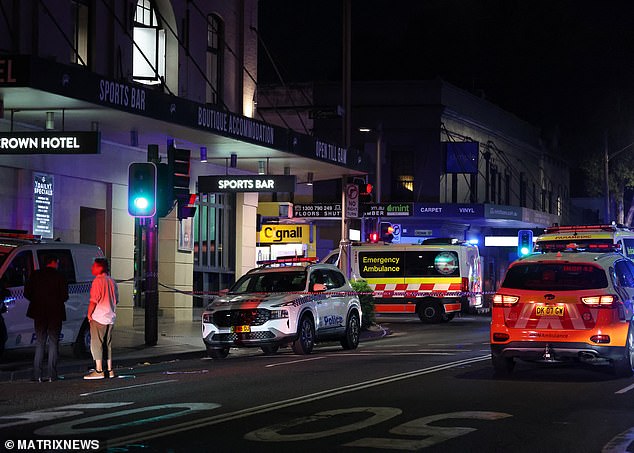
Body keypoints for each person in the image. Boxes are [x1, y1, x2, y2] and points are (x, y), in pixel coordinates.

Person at [24, 256, 69, 382]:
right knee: (54, 343)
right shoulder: (60, 276)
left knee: (40, 342)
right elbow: (65, 296)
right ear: (54, 262)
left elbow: (27, 293)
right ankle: (52, 375)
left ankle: (37, 374)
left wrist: (37, 300)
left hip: (39, 313)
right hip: (55, 313)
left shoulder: (36, 275)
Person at [84, 258, 119, 380]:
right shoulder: (112, 281)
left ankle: (98, 370)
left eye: (94, 266)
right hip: (110, 317)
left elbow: (93, 301)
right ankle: (110, 370)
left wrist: (89, 315)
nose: (92, 268)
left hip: (99, 317)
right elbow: (116, 300)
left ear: (100, 268)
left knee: (96, 344)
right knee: (107, 344)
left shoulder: (97, 281)